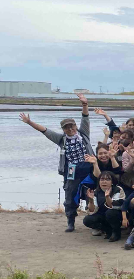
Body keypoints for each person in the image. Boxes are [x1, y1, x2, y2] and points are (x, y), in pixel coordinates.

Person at [20, 95, 94, 232]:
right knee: (70, 195)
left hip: (89, 168)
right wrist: (30, 122)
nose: (70, 129)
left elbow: (85, 118)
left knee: (95, 191)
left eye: (72, 126)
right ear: (63, 129)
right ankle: (70, 221)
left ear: (76, 126)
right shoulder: (61, 139)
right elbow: (45, 131)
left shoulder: (84, 134)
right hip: (71, 171)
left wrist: (85, 104)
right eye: (67, 128)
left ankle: (96, 219)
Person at [82, 172, 125, 242]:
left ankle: (116, 232)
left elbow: (113, 206)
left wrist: (107, 197)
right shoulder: (95, 192)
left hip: (116, 213)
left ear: (112, 182)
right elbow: (92, 210)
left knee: (110, 213)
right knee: (87, 220)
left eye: (107, 179)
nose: (104, 182)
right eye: (102, 179)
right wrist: (91, 200)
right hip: (102, 215)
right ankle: (107, 230)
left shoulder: (118, 189)